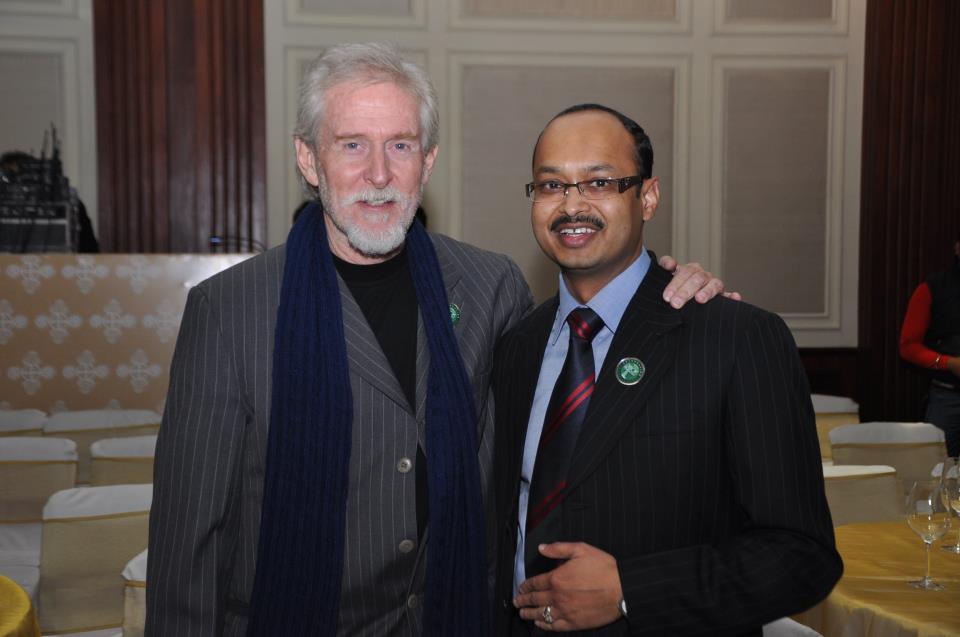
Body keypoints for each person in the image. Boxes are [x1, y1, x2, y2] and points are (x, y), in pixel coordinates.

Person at [146, 44, 726, 637]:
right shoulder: (228, 311)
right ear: (308, 159)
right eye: (352, 145)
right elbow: (189, 542)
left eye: (400, 145)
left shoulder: (489, 286)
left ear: (427, 162)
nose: (379, 173)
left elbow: (579, 406)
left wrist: (665, 293)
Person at [492, 104, 842, 636]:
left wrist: (631, 590)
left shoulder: (737, 338)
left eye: (600, 182)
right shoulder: (517, 346)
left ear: (647, 197)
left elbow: (802, 555)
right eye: (550, 186)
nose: (572, 205)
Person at [899, 233, 960, 457]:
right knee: (940, 471)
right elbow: (908, 346)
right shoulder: (932, 289)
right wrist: (948, 363)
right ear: (957, 247)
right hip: (947, 397)